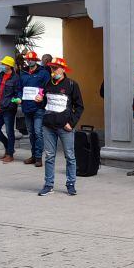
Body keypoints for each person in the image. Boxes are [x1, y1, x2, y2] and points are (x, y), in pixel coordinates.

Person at [37, 58, 84, 196]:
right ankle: (48, 184)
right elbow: (44, 104)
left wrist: (72, 123)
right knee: (49, 156)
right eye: (52, 68)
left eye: (57, 68)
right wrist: (39, 101)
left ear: (63, 69)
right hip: (48, 126)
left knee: (70, 156)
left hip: (65, 127)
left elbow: (80, 106)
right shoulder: (47, 84)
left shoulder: (71, 84)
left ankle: (71, 184)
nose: (54, 71)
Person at [20, 51, 51, 166]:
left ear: (36, 60)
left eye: (31, 59)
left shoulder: (43, 73)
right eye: (28, 59)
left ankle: (38, 157)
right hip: (27, 108)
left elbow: (48, 88)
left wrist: (42, 96)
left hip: (38, 108)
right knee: (31, 133)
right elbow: (20, 89)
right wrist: (19, 98)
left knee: (38, 132)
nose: (29, 60)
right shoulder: (23, 73)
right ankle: (33, 156)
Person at [0, 56, 24, 164]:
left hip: (9, 108)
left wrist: (15, 100)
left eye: (4, 64)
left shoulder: (15, 78)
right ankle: (9, 147)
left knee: (9, 131)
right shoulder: (1, 75)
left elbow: (18, 92)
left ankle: (10, 154)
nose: (2, 65)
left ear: (9, 66)